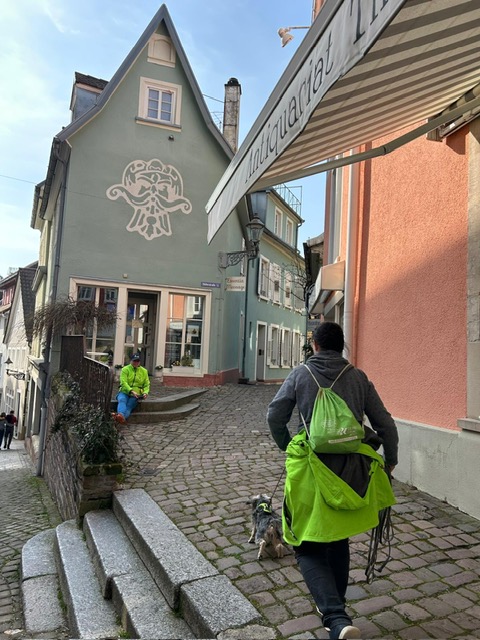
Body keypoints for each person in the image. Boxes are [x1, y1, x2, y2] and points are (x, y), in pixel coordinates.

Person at [267, 322, 398, 640]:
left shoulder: (300, 375)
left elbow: (275, 415)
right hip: (351, 471)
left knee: (305, 545)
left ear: (314, 345)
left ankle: (336, 618)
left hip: (311, 470)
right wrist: (390, 461)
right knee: (338, 539)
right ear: (342, 347)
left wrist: (289, 445)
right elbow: (385, 424)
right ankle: (336, 607)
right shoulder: (358, 377)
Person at [113, 354, 150, 424]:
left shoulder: (144, 371)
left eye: (137, 361)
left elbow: (146, 384)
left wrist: (145, 392)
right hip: (124, 391)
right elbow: (123, 382)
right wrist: (131, 390)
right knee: (122, 400)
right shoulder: (125, 369)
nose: (136, 363)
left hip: (136, 394)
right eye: (134, 361)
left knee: (129, 405)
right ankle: (121, 416)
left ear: (139, 362)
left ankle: (119, 417)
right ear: (131, 361)